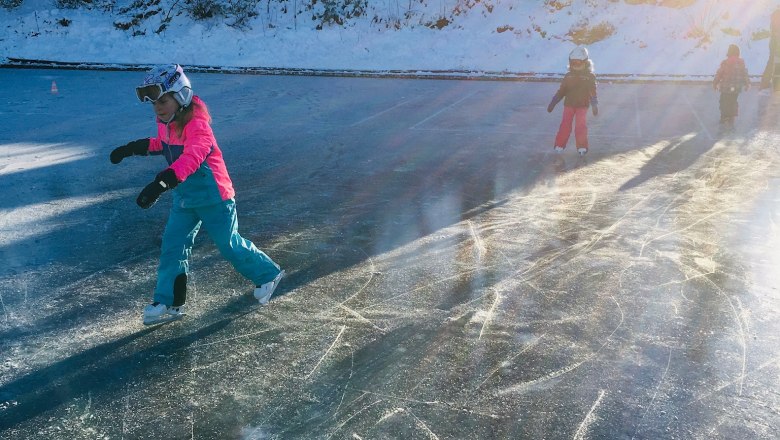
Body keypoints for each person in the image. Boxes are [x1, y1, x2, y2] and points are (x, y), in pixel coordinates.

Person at [110, 64, 284, 325]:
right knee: (173, 247)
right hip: (185, 198)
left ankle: (268, 274)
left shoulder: (198, 126)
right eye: (154, 103)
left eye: (163, 101)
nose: (158, 107)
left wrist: (160, 184)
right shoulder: (166, 123)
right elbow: (163, 144)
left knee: (229, 244)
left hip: (215, 196)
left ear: (181, 96)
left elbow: (192, 157)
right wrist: (133, 148)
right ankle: (170, 301)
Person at [547, 45, 598, 156]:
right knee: (565, 125)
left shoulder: (589, 76)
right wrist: (553, 102)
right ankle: (559, 145)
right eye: (573, 63)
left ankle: (582, 146)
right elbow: (562, 91)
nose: (575, 66)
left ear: (585, 63)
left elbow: (592, 91)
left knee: (580, 126)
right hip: (569, 105)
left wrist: (594, 104)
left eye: (578, 63)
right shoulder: (568, 76)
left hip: (582, 106)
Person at [713, 44, 750, 129]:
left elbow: (719, 74)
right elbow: (745, 74)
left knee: (723, 101)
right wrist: (747, 84)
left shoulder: (725, 62)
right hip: (736, 88)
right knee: (733, 101)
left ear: (729, 52)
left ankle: (724, 116)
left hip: (725, 88)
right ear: (738, 53)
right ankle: (731, 117)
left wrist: (715, 83)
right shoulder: (741, 63)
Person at [760, 8, 780, 92]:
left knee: (772, 62)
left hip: (774, 43)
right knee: (774, 63)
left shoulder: (774, 16)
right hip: (776, 43)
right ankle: (771, 85)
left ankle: (765, 84)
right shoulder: (777, 16)